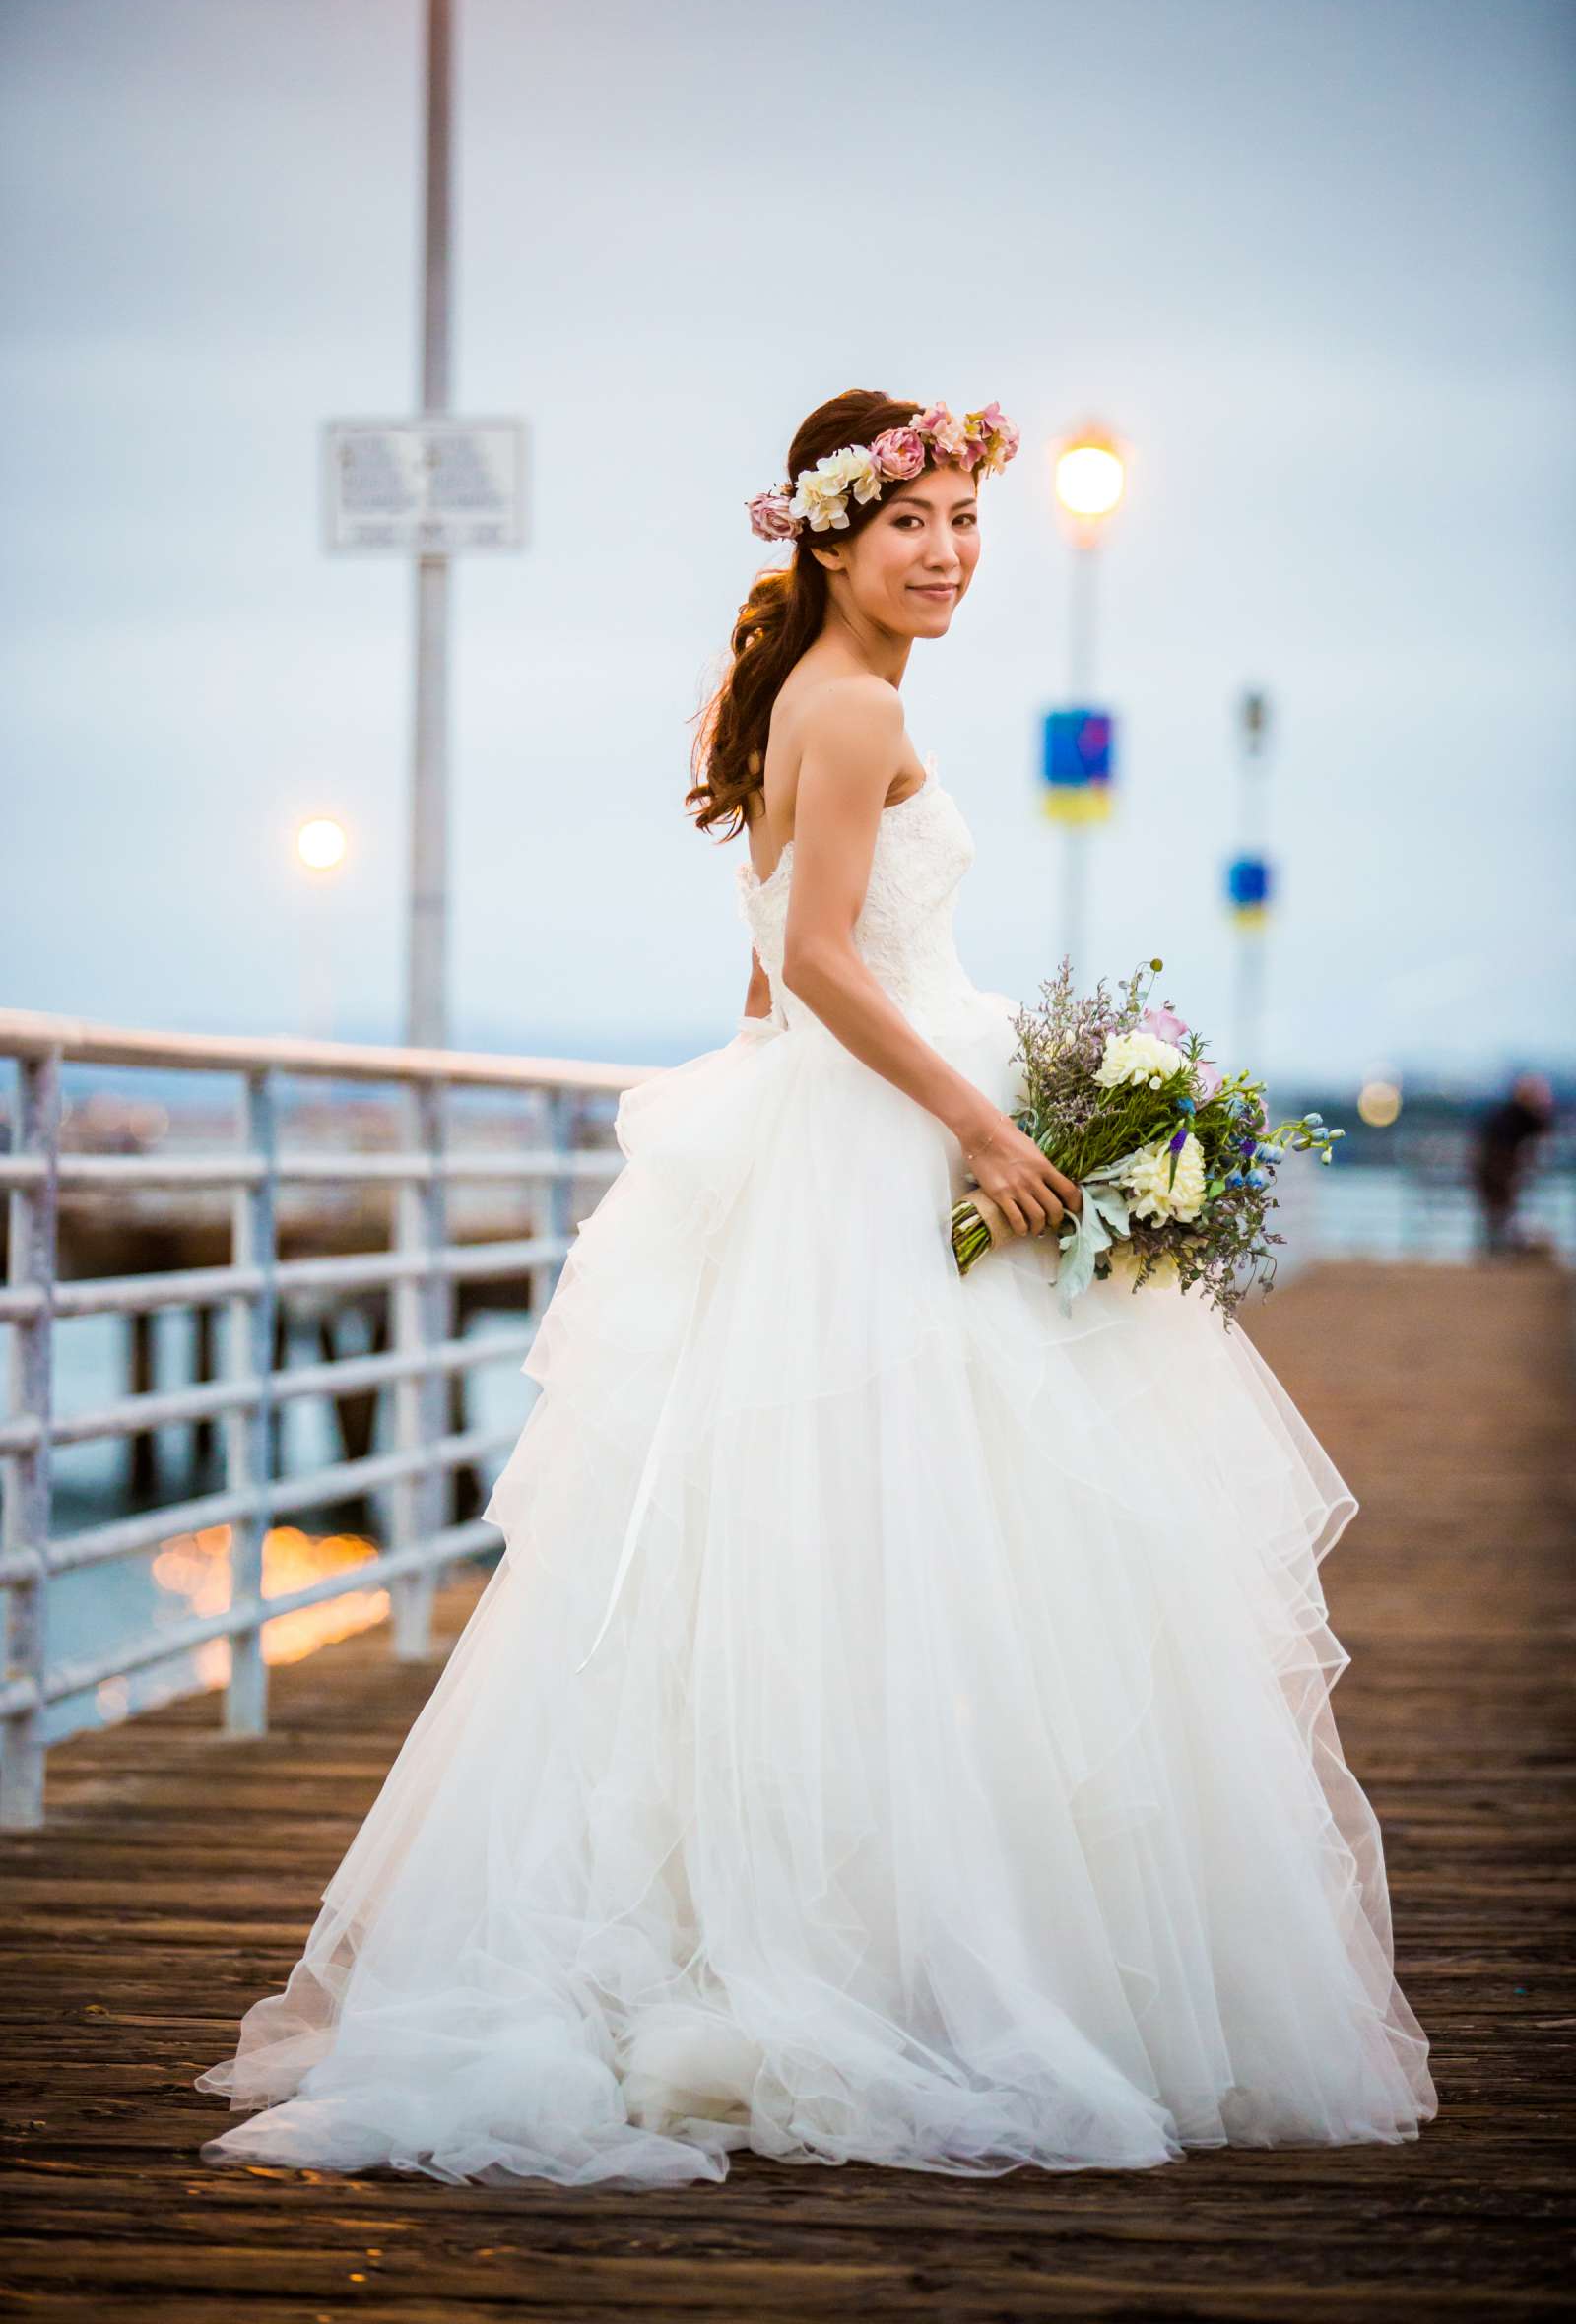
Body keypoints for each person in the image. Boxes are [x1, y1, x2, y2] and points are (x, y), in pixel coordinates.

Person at [194, 389, 1436, 2186]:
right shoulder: (846, 704)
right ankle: (903, 1954)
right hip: (891, 1139)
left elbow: (776, 983)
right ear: (832, 536)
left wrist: (850, 1114)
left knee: (856, 1551)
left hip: (838, 1141)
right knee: (937, 1548)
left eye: (964, 528)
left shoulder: (814, 698)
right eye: (913, 525)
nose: (946, 557)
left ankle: (858, 1925)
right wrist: (977, 1127)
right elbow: (834, 958)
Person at [1471, 1073, 1554, 1255]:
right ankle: (1499, 1248)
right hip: (1498, 1169)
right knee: (1501, 1210)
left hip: (1492, 1169)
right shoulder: (1518, 1115)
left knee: (1497, 1211)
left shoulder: (1508, 1114)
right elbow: (1542, 1128)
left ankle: (1496, 1249)